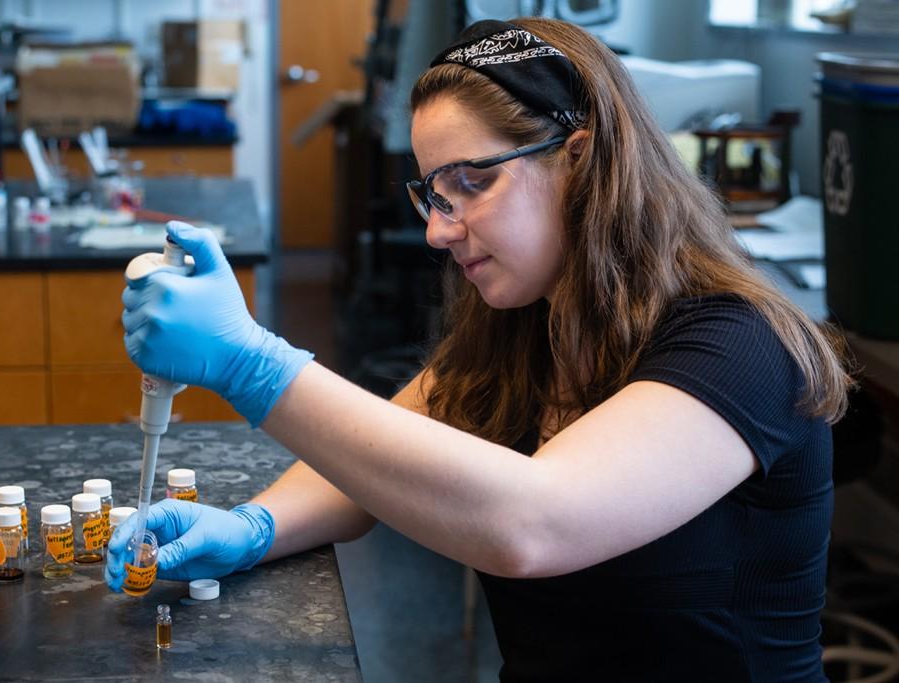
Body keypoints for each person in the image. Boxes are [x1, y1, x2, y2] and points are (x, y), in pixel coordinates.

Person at [112, 17, 853, 682]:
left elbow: (532, 522)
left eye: (472, 183)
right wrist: (253, 527)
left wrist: (250, 361)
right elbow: (379, 455)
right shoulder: (527, 322)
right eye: (433, 192)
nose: (439, 229)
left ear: (581, 160)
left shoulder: (742, 344)